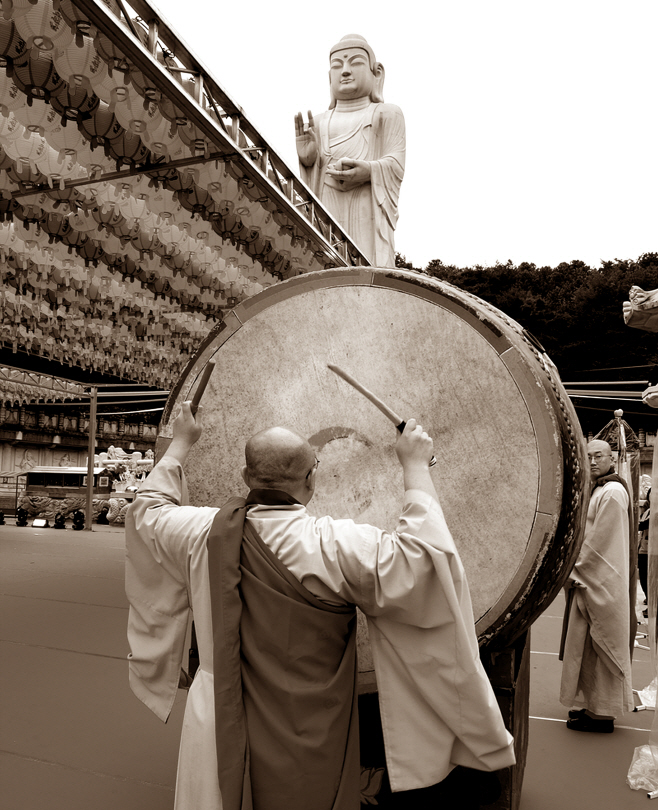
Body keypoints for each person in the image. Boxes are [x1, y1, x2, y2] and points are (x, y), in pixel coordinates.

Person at [125, 402, 515, 810]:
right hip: (308, 723)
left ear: (245, 477)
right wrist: (415, 467)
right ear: (312, 479)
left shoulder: (198, 531)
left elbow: (148, 510)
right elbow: (423, 564)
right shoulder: (332, 544)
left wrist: (181, 442)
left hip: (216, 713)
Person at [295, 34, 405, 267]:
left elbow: (396, 164)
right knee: (326, 266)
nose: (345, 71)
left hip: (367, 204)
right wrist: (309, 161)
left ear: (376, 73)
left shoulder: (386, 113)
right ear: (329, 77)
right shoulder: (319, 121)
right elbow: (308, 191)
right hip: (328, 203)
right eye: (337, 66)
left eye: (355, 63)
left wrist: (369, 170)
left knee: (366, 269)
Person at [560, 439, 635, 732]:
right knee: (586, 647)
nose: (592, 461)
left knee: (602, 645)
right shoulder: (600, 489)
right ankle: (594, 706)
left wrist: (574, 567)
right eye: (588, 456)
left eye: (599, 456)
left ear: (612, 458)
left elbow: (604, 542)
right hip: (589, 581)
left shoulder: (613, 492)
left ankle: (604, 715)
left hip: (600, 579)